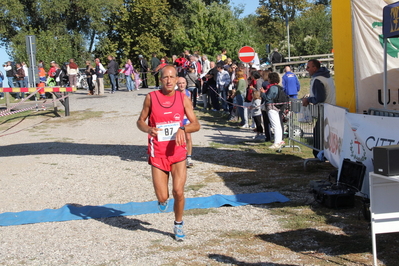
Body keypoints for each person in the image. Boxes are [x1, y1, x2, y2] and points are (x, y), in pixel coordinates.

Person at [136, 65, 200, 241]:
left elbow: (196, 124)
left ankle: (178, 224)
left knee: (178, 191)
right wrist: (148, 129)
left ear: (176, 78)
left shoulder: (183, 98)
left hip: (178, 152)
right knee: (163, 196)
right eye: (165, 77)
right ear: (161, 79)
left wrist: (182, 128)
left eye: (172, 77)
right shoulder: (151, 97)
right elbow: (140, 121)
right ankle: (162, 201)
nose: (169, 80)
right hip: (158, 152)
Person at [302, 59, 336, 158]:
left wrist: (308, 99)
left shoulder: (318, 80)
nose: (306, 69)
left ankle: (319, 155)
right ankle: (322, 154)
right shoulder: (327, 77)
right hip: (330, 109)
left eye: (308, 67)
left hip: (325, 110)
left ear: (315, 68)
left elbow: (320, 98)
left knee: (319, 134)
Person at [176, 77, 195, 167]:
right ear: (177, 84)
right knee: (177, 137)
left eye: (183, 83)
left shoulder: (188, 92)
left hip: (186, 117)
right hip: (177, 118)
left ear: (186, 84)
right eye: (179, 83)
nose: (181, 85)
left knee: (188, 137)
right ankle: (178, 156)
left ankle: (189, 157)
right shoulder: (174, 93)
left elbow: (190, 105)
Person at [265, 72, 284, 149]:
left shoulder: (272, 88)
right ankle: (279, 140)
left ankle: (276, 142)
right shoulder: (278, 87)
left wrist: (262, 93)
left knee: (275, 125)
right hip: (277, 107)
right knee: (278, 125)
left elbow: (268, 98)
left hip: (271, 107)